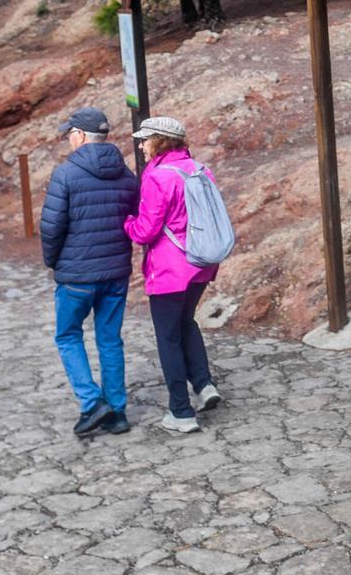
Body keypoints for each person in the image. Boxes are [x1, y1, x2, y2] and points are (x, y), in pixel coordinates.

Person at [40, 108, 139, 437]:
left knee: (68, 336)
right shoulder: (127, 175)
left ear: (80, 136)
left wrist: (54, 262)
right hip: (115, 274)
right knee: (110, 340)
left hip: (77, 276)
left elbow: (51, 228)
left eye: (70, 134)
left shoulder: (66, 174)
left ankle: (92, 403)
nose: (69, 139)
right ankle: (118, 412)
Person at [125, 116, 222, 434]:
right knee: (186, 323)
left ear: (160, 141)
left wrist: (125, 223)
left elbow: (146, 230)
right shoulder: (199, 169)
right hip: (201, 263)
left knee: (168, 337)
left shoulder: (158, 177)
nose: (140, 145)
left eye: (144, 139)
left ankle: (181, 411)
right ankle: (204, 384)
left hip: (170, 269)